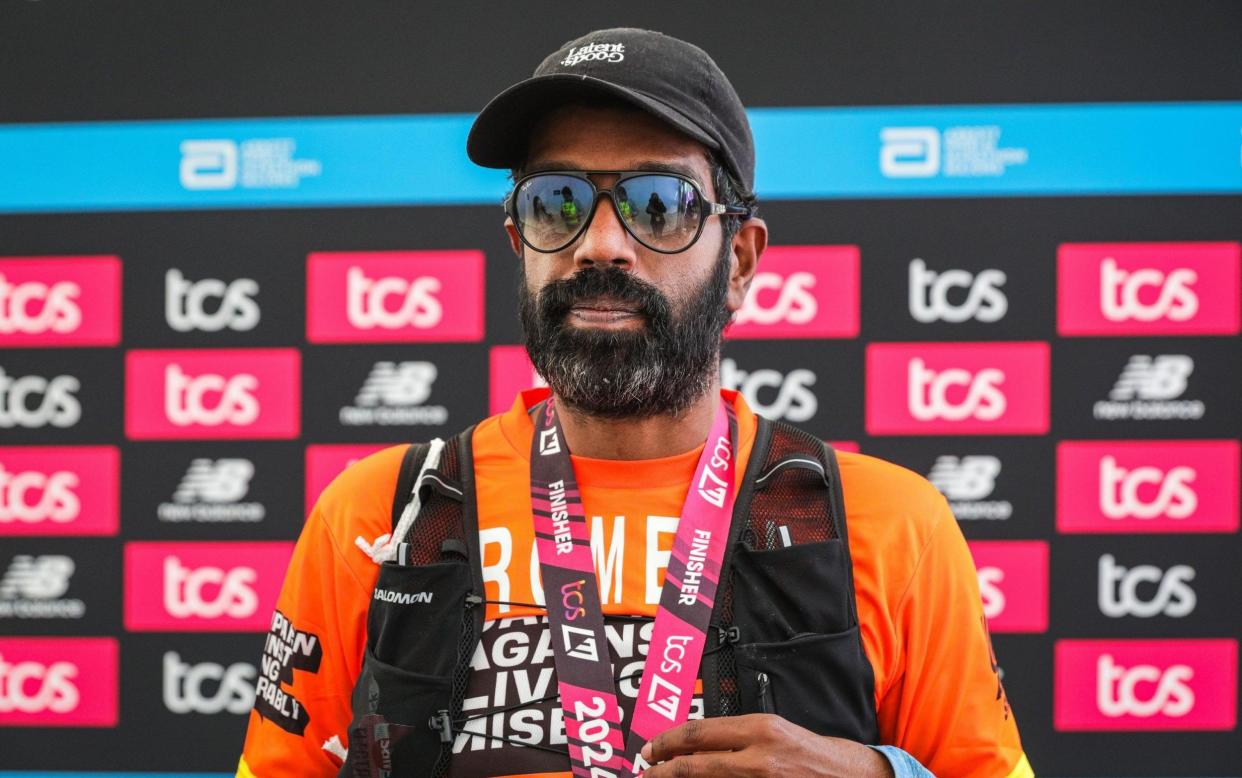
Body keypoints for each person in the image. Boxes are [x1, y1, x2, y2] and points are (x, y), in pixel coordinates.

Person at [237, 28, 1033, 778]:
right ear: (521, 241)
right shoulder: (384, 514)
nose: (601, 244)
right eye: (557, 201)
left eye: (660, 204)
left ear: (741, 261)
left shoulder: (888, 523)